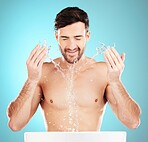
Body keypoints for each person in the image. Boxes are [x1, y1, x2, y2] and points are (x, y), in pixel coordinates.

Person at [7, 7, 141, 132]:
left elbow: (133, 122)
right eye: (65, 38)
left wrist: (116, 82)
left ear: (87, 36)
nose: (71, 46)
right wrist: (31, 80)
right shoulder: (43, 72)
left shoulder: (103, 72)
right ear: (57, 37)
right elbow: (15, 124)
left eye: (77, 38)